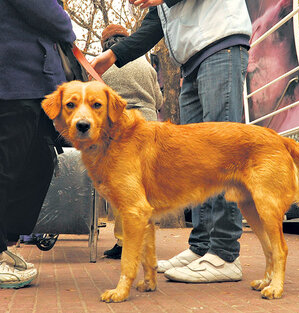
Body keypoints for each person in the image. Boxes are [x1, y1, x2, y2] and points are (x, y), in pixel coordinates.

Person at [91, 0, 251, 283]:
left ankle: (225, 253)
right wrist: (113, 55)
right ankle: (202, 246)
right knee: (194, 161)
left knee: (222, 152)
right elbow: (154, 27)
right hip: (190, 62)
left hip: (219, 43)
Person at [0, 0, 75, 289]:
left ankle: (1, 243)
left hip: (28, 76)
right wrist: (65, 24)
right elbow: (45, 11)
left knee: (37, 160)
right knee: (2, 162)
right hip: (12, 72)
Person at [99, 24, 163, 259]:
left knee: (122, 187)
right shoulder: (146, 65)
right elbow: (159, 100)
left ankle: (124, 241)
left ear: (105, 43)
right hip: (148, 126)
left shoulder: (103, 65)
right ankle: (146, 237)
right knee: (145, 186)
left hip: (119, 129)